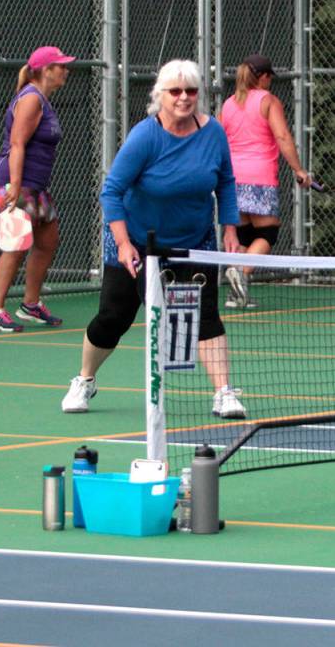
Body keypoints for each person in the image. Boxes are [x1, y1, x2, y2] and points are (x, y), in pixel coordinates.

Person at [61, 59, 247, 419]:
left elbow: (225, 181)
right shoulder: (145, 136)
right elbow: (112, 191)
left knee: (205, 316)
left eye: (191, 91)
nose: (183, 97)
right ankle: (85, 379)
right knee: (113, 318)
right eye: (175, 91)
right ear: (160, 95)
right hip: (135, 240)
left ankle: (224, 393)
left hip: (193, 241)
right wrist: (124, 244)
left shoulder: (213, 134)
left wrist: (230, 229)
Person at [0, 45, 74, 332]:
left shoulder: (44, 101)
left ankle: (31, 304)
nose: (65, 71)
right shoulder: (31, 99)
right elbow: (17, 143)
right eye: (60, 66)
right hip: (16, 181)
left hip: (37, 184)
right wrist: (16, 186)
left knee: (47, 241)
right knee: (16, 246)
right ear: (46, 70)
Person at [219, 54, 312, 309]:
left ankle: (237, 293)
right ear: (262, 77)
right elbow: (282, 136)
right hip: (259, 176)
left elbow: (218, 140)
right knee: (267, 232)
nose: (270, 81)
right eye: (269, 76)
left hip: (232, 178)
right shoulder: (268, 101)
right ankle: (240, 272)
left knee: (242, 234)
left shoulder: (228, 104)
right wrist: (299, 170)